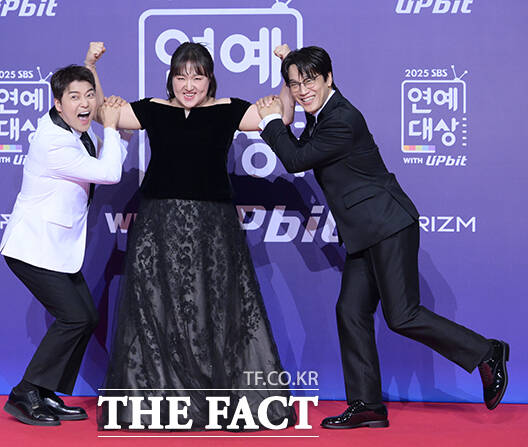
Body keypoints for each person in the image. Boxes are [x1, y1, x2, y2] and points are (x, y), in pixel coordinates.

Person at [256, 45, 509, 429]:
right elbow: (302, 125)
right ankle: (367, 405)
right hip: (365, 232)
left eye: (310, 81)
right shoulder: (322, 113)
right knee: (350, 311)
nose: (302, 90)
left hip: (388, 225)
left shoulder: (342, 119)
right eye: (295, 84)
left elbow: (295, 160)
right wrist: (287, 69)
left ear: (329, 79)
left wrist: (272, 120)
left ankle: (487, 352)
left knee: (403, 315)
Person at [98, 42, 297, 430]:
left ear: (210, 80)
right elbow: (102, 113)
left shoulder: (229, 109)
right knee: (155, 309)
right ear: (171, 79)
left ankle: (214, 401)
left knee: (213, 308)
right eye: (181, 76)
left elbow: (284, 117)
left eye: (197, 76)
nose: (189, 85)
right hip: (157, 225)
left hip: (213, 227)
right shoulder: (153, 109)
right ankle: (158, 403)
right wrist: (92, 67)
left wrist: (286, 65)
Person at [0, 42, 127, 426]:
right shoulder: (53, 142)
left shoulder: (70, 127)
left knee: (84, 317)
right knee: (74, 317)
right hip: (32, 248)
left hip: (55, 249)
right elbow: (110, 172)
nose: (85, 103)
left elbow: (99, 125)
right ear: (58, 105)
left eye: (89, 96)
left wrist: (89, 66)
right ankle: (25, 393)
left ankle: (44, 392)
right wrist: (112, 127)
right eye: (74, 97)